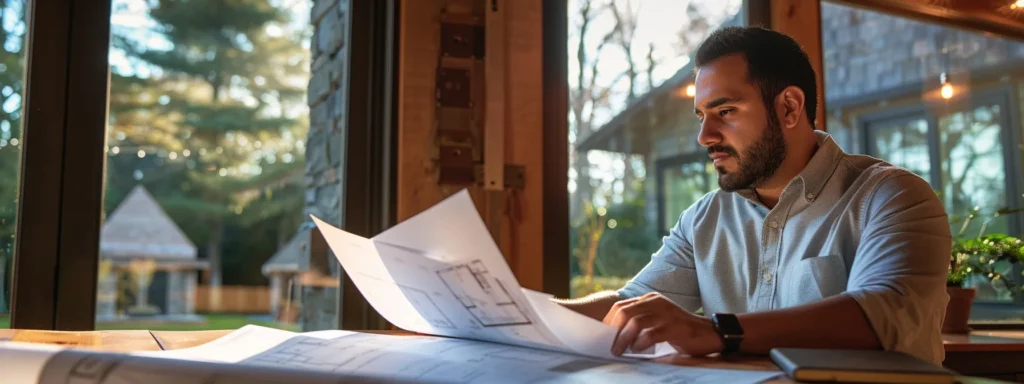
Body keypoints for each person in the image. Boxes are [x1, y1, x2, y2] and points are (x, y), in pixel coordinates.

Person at [555, 26, 951, 365]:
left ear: (790, 107)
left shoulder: (892, 196)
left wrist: (716, 331)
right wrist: (520, 311)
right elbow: (631, 307)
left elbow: (883, 315)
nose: (705, 137)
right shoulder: (702, 220)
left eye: (724, 111)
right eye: (701, 116)